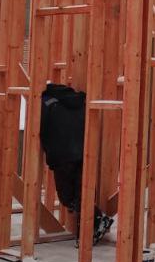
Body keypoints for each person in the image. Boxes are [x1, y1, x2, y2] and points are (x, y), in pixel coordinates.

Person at [39, 83, 113, 244]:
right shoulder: (79, 100)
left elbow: (40, 128)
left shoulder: (46, 102)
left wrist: (48, 149)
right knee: (82, 194)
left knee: (67, 197)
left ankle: (96, 221)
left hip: (62, 154)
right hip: (83, 153)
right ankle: (90, 230)